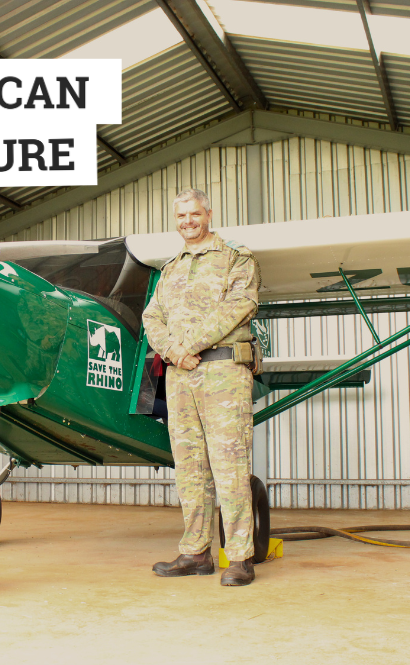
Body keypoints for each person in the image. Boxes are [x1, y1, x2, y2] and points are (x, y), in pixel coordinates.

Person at [142, 188, 261, 586]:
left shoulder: (235, 257)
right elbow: (151, 316)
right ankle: (196, 553)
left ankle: (240, 557)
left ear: (208, 213)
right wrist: (174, 352)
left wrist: (188, 345)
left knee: (230, 466)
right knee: (190, 468)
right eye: (180, 216)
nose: (187, 221)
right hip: (179, 377)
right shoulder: (170, 268)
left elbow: (239, 305)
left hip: (223, 372)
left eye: (194, 213)